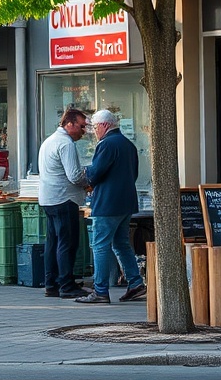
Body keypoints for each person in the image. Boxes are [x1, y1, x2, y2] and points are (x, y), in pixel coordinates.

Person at [75, 109, 146, 304]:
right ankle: (135, 283)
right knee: (121, 244)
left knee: (100, 246)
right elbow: (134, 174)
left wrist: (85, 172)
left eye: (95, 127)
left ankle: (100, 290)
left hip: (107, 204)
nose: (94, 131)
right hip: (126, 203)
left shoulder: (106, 144)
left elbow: (95, 173)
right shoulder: (128, 145)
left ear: (105, 125)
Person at [37, 108, 90, 298]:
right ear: (70, 124)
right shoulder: (66, 143)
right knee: (67, 242)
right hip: (64, 198)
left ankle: (51, 283)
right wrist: (89, 181)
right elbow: (75, 176)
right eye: (82, 126)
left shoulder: (49, 141)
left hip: (48, 198)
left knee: (53, 242)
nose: (84, 131)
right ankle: (66, 285)